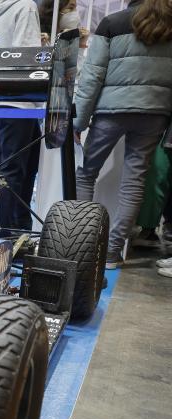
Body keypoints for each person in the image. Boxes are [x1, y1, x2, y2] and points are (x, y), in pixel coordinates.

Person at [74, 0, 172, 269]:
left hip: (110, 110)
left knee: (86, 173)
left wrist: (79, 121)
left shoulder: (112, 23)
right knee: (134, 181)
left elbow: (92, 76)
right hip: (155, 113)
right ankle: (112, 254)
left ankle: (82, 246)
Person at [0, 0, 43, 236]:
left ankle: (4, 227)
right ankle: (7, 231)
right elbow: (27, 56)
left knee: (4, 171)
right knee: (15, 173)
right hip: (18, 102)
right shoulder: (25, 6)